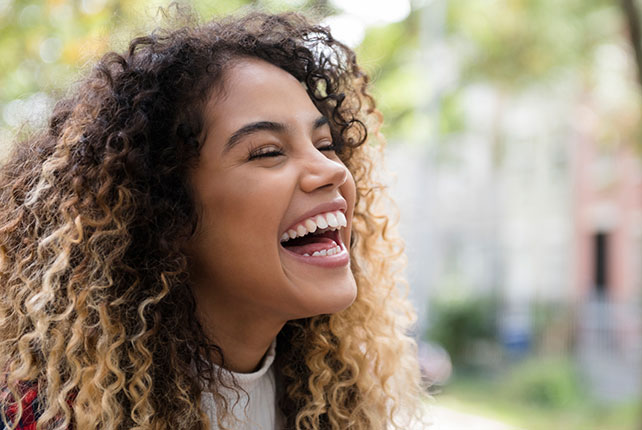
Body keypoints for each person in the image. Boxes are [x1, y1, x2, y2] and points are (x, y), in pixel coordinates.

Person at [0, 7, 423, 430]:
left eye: (325, 143)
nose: (333, 171)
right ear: (165, 212)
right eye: (267, 152)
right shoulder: (46, 415)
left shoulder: (342, 404)